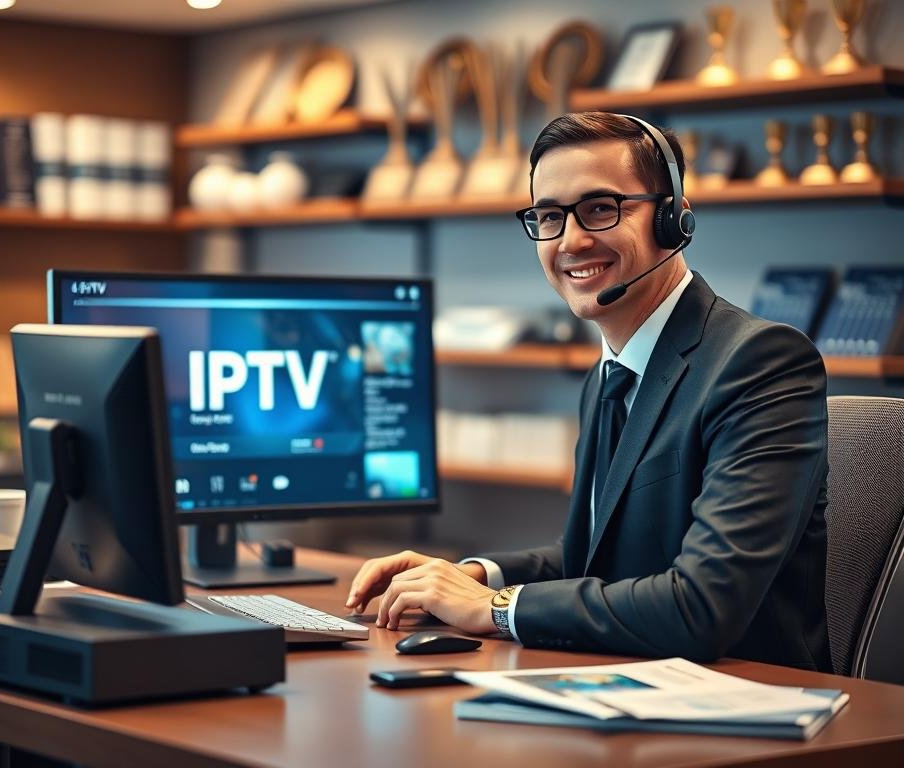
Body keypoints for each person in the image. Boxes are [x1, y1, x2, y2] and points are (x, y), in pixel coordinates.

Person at [345, 112, 830, 670]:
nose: (571, 241)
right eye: (549, 216)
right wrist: (469, 577)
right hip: (631, 689)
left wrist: (495, 608)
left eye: (600, 209)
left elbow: (702, 606)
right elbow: (594, 560)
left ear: (674, 220)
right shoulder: (608, 376)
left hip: (747, 708)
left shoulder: (760, 363)